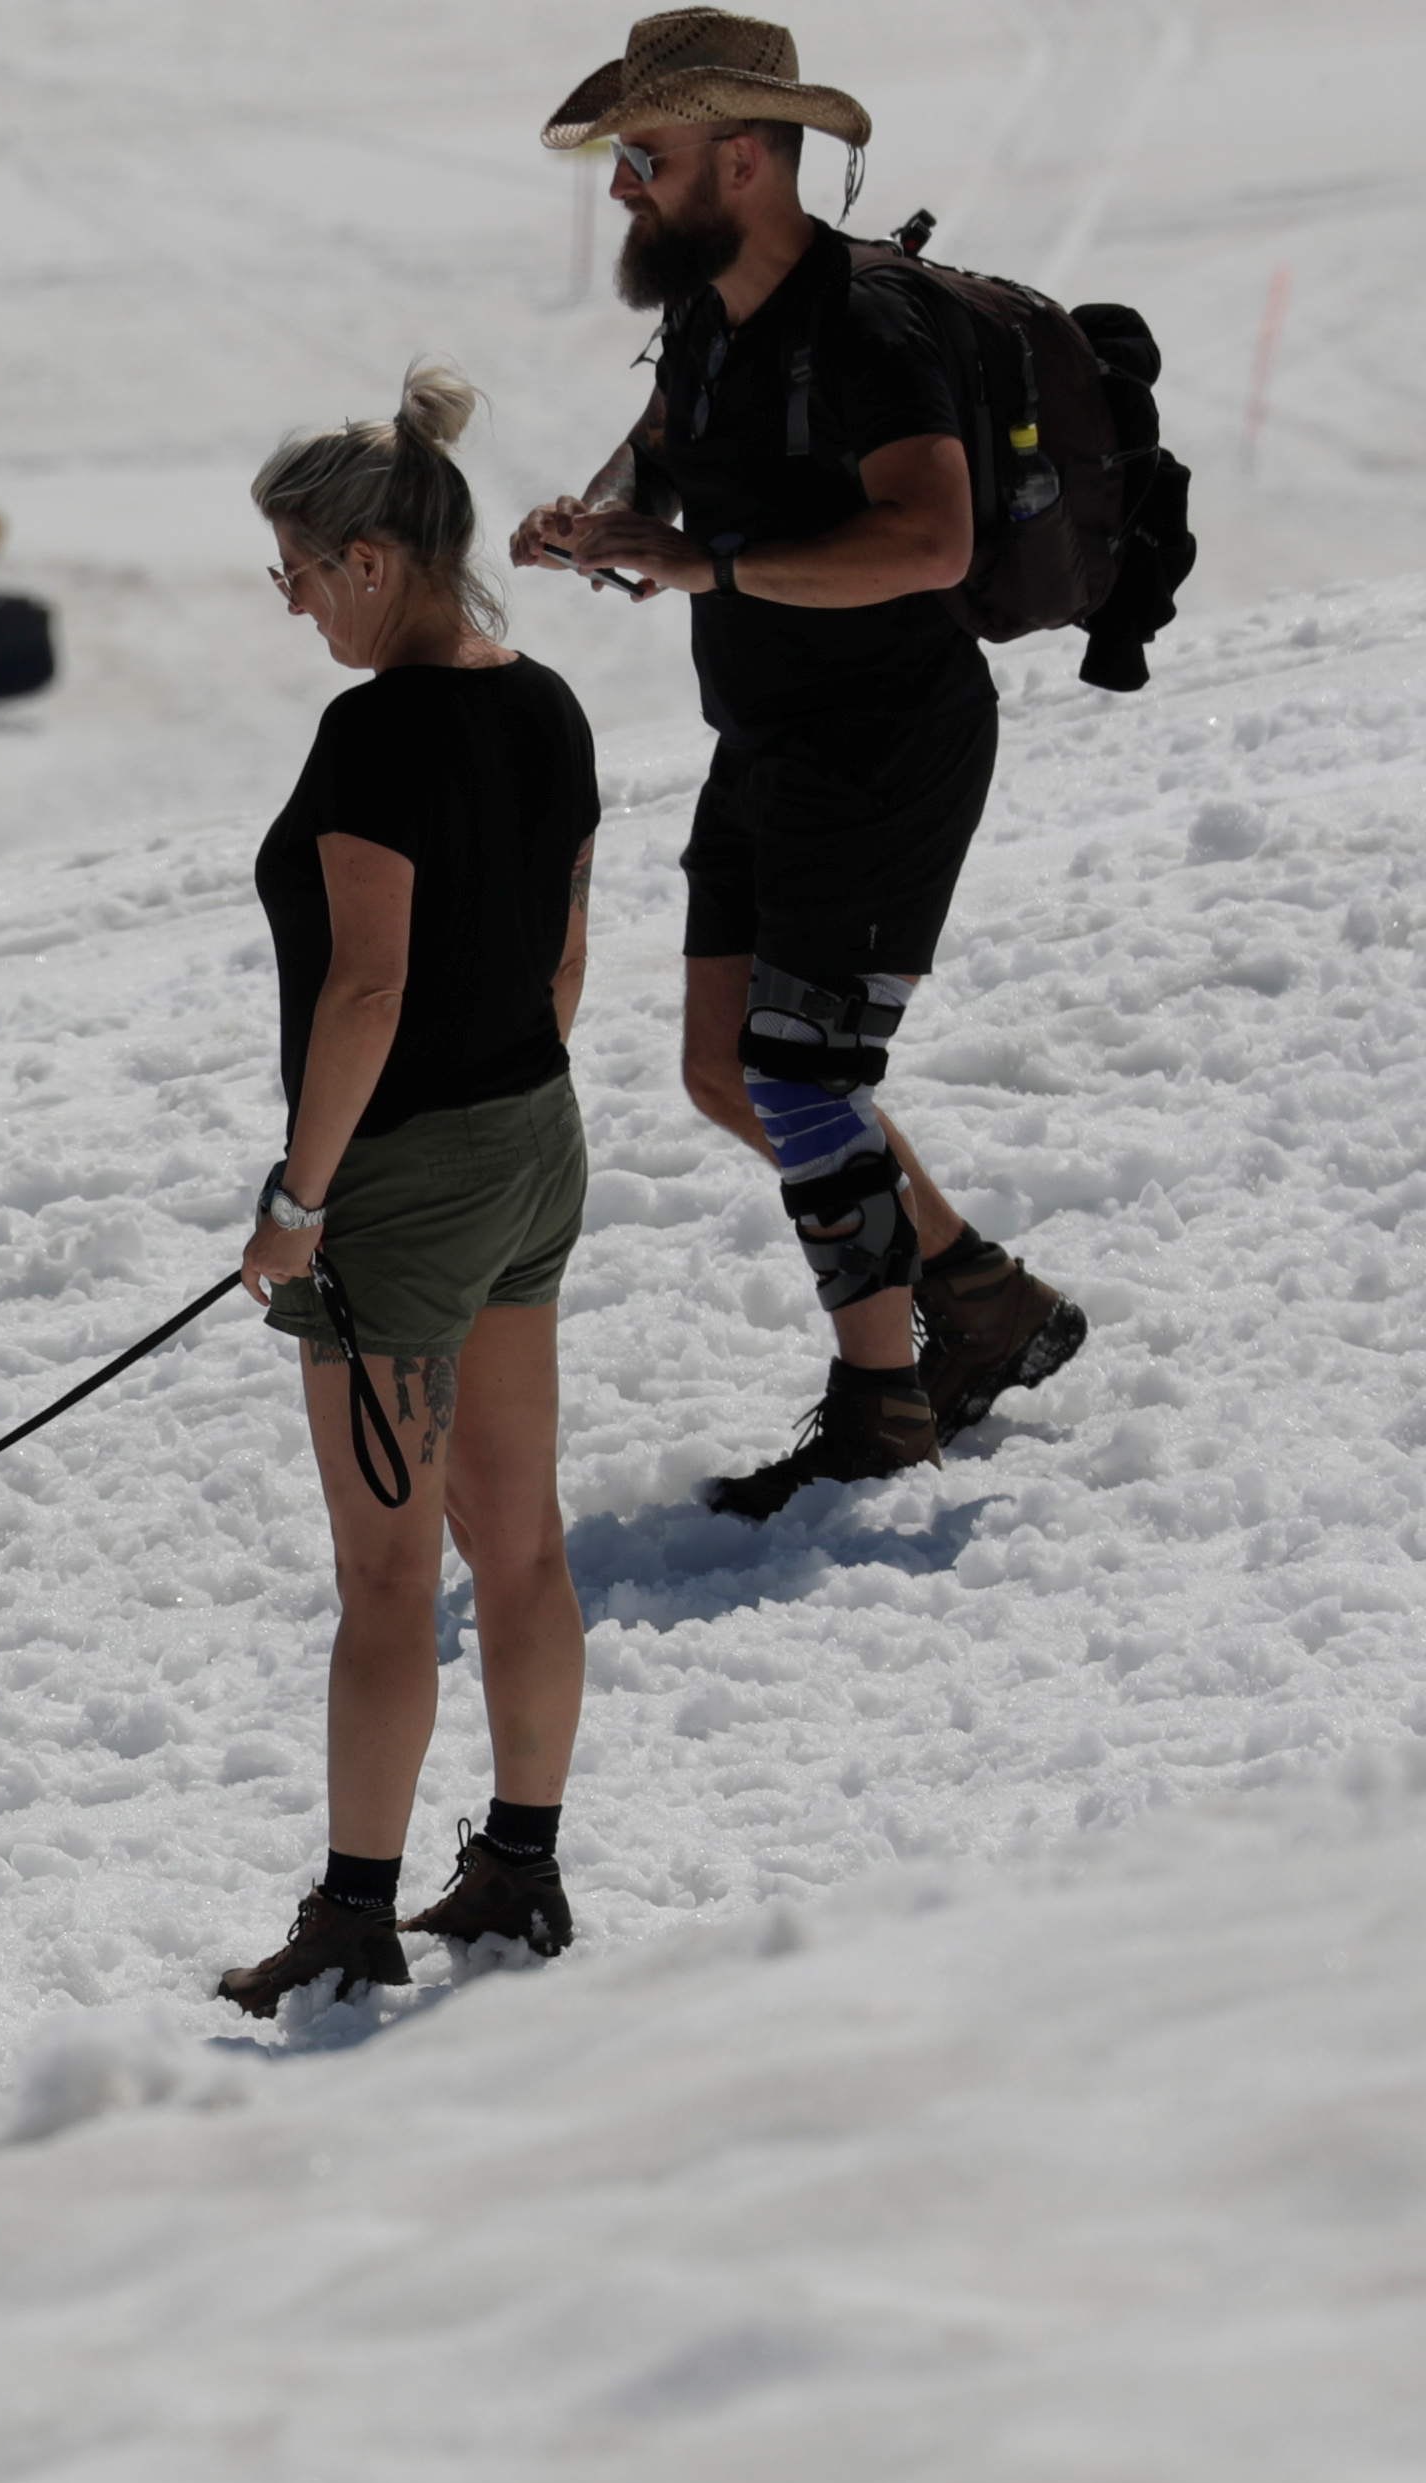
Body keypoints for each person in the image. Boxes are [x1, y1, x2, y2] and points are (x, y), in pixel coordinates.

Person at [512, 12, 1085, 1518]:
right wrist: (598, 514)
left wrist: (709, 565)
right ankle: (981, 1297)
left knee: (802, 1073)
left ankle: (883, 1407)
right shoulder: (711, 310)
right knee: (728, 1070)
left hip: (888, 742)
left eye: (645, 157)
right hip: (764, 735)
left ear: (746, 159)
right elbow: (668, 440)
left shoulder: (870, 324)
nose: (622, 188)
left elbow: (933, 539)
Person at [217, 374, 601, 2020]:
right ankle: (521, 1862)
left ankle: (355, 1913)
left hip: (405, 1181)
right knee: (519, 1545)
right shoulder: (550, 702)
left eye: (299, 569)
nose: (294, 604)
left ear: (375, 559)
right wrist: (496, 1105)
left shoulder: (375, 736)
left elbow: (363, 994)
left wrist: (303, 1201)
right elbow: (564, 964)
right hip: (532, 1138)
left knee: (389, 1577)